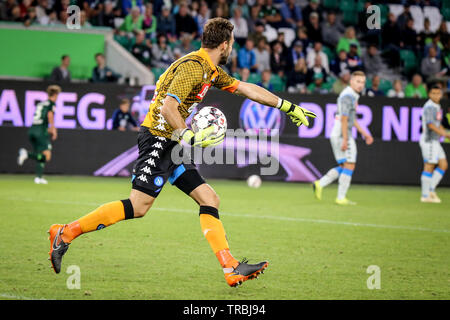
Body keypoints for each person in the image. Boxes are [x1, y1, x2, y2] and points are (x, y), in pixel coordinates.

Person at [47, 17, 316, 288]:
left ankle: (230, 267)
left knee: (209, 198)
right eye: (231, 44)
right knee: (139, 206)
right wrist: (187, 134)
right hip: (157, 140)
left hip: (171, 144)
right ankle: (65, 232)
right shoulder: (193, 68)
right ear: (224, 44)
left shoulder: (209, 70)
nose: (232, 49)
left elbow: (247, 89)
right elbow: (167, 108)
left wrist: (288, 107)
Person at [312, 71, 374, 205]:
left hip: (338, 132)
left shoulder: (352, 95)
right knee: (350, 165)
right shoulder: (347, 96)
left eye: (363, 82)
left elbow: (351, 119)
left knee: (343, 165)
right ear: (351, 81)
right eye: (358, 81)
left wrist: (364, 133)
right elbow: (345, 119)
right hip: (342, 134)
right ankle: (341, 197)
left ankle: (320, 183)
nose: (360, 85)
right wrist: (345, 139)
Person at [17, 85, 61, 184]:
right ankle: (26, 154)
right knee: (47, 156)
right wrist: (53, 129)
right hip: (41, 131)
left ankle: (38, 177)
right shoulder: (51, 103)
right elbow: (50, 115)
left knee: (40, 155)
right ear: (55, 94)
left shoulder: (41, 104)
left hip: (33, 129)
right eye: (57, 95)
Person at [419, 84, 450, 203]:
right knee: (429, 166)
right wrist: (446, 134)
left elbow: (437, 124)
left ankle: (431, 190)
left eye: (438, 93)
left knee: (443, 165)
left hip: (435, 141)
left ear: (441, 94)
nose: (436, 96)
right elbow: (430, 125)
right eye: (434, 93)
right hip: (429, 140)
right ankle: (425, 195)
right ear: (429, 94)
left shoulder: (437, 106)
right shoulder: (430, 107)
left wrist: (445, 131)